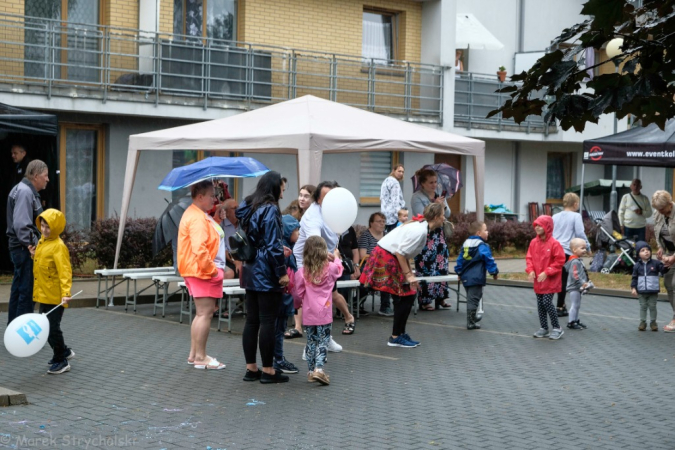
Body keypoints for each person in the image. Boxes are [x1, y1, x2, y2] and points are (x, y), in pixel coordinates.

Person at [360, 203, 446, 348]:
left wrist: (410, 274)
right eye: (443, 215)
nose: (444, 218)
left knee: (408, 294)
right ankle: (395, 337)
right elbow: (400, 252)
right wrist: (408, 274)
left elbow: (403, 251)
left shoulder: (421, 226)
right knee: (404, 295)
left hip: (390, 255)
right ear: (437, 217)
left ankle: (399, 334)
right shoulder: (420, 230)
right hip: (386, 256)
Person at [237, 171, 291, 384]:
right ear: (274, 188)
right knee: (268, 320)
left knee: (252, 320)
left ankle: (251, 368)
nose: (283, 195)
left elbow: (260, 240)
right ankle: (268, 369)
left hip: (250, 267)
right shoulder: (270, 209)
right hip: (266, 271)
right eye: (282, 190)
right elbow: (272, 245)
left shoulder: (249, 207)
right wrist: (282, 272)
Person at [294, 180, 356, 338]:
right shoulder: (313, 216)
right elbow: (314, 239)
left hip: (327, 259)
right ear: (318, 200)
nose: (331, 200)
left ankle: (347, 317)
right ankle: (301, 329)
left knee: (331, 295)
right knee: (308, 296)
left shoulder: (336, 210)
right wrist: (328, 255)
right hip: (307, 260)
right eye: (326, 196)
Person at [178, 180, 226, 370]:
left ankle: (195, 354)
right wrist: (212, 271)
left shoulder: (198, 214)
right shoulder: (197, 217)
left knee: (201, 314)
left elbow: (209, 238)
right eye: (211, 195)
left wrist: (217, 219)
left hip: (197, 270)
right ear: (200, 197)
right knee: (205, 314)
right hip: (202, 272)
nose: (214, 198)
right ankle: (200, 356)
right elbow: (200, 248)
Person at [293, 236, 343, 385]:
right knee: (323, 341)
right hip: (324, 312)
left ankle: (310, 371)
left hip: (309, 312)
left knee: (311, 342)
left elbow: (297, 293)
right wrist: (337, 257)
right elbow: (339, 269)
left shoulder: (302, 272)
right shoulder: (330, 268)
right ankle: (319, 369)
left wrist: (296, 306)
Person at [29, 209, 74, 374]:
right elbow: (43, 264)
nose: (44, 229)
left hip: (55, 297)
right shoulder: (42, 241)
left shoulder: (58, 247)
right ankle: (64, 352)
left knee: (51, 329)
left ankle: (62, 360)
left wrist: (65, 293)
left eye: (48, 227)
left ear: (55, 227)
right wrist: (33, 255)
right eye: (42, 225)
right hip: (43, 294)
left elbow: (65, 272)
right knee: (45, 328)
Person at [6, 159, 48, 325]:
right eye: (45, 175)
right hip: (25, 250)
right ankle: (22, 336)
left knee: (17, 290)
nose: (47, 179)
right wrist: (34, 246)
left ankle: (13, 330)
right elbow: (22, 225)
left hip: (19, 248)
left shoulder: (20, 189)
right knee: (26, 291)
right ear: (36, 176)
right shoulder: (25, 192)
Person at [410, 168, 451, 311]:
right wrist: (436, 205)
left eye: (435, 182)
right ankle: (425, 299)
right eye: (430, 182)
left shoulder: (440, 195)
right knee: (426, 266)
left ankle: (441, 297)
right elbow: (421, 214)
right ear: (422, 183)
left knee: (441, 265)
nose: (434, 185)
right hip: (426, 235)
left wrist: (443, 205)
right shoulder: (417, 197)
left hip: (439, 235)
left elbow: (448, 213)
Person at [284, 184, 317, 339]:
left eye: (306, 196)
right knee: (298, 293)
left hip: (309, 260)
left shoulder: (314, 216)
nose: (302, 198)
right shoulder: (295, 215)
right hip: (295, 260)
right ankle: (298, 326)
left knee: (327, 295)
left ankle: (348, 316)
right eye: (301, 195)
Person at [526, 215, 566, 340]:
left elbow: (559, 261)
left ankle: (557, 328)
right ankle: (544, 327)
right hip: (539, 280)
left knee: (547, 302)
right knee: (540, 303)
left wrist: (547, 272)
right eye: (536, 225)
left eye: (540, 225)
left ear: (547, 227)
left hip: (550, 280)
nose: (537, 228)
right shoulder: (534, 242)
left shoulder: (554, 244)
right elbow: (529, 258)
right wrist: (531, 270)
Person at [454, 221, 499, 330]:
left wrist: (459, 272)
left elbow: (460, 259)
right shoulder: (481, 245)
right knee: (474, 299)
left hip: (465, 276)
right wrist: (494, 271)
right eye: (485, 230)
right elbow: (488, 258)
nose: (487, 232)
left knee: (472, 297)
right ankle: (471, 322)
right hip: (476, 277)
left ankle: (473, 317)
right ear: (479, 233)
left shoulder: (466, 243)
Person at [552, 192, 591, 318]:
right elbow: (580, 232)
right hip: (567, 251)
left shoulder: (555, 216)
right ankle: (560, 306)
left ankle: (552, 304)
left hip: (555, 250)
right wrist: (588, 246)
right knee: (565, 279)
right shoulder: (576, 216)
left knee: (555, 278)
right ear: (575, 204)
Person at [273, 214, 301, 375]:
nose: (298, 234)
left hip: (285, 297)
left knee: (279, 328)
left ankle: (277, 358)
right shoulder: (284, 251)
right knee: (278, 329)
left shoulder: (286, 247)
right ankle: (278, 359)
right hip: (282, 297)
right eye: (296, 230)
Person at [358, 212, 393, 316]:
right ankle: (384, 306)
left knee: (391, 273)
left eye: (383, 221)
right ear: (371, 223)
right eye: (379, 221)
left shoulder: (387, 236)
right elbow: (363, 256)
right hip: (369, 265)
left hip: (384, 266)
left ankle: (387, 305)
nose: (382, 224)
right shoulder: (365, 235)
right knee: (384, 275)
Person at [650, 190, 675, 332]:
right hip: (669, 252)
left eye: (662, 209)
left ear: (670, 204)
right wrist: (660, 248)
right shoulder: (658, 213)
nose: (660, 212)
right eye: (657, 209)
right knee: (668, 284)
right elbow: (657, 231)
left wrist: (673, 258)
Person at [631, 240, 665, 332]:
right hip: (641, 290)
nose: (646, 251)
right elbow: (634, 278)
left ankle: (653, 322)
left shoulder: (656, 263)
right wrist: (634, 288)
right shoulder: (637, 266)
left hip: (653, 290)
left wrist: (663, 262)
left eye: (648, 250)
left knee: (652, 306)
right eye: (643, 250)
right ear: (638, 254)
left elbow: (663, 271)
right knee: (643, 306)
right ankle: (643, 322)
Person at [564, 238, 591, 330]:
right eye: (582, 248)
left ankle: (575, 320)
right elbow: (575, 274)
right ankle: (571, 322)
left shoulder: (578, 260)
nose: (585, 250)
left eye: (585, 248)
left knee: (577, 304)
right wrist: (583, 283)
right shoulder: (575, 261)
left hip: (577, 286)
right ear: (574, 250)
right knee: (575, 304)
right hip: (574, 287)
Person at [337, 225, 361, 314]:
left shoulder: (350, 230)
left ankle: (346, 307)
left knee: (350, 277)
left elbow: (355, 251)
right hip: (335, 263)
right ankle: (342, 308)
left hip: (348, 264)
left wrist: (356, 266)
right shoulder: (329, 228)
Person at [380, 164, 406, 233]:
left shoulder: (386, 180)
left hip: (385, 215)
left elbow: (382, 198)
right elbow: (395, 201)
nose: (401, 173)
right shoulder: (395, 183)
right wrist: (399, 216)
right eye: (399, 171)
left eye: (402, 172)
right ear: (393, 171)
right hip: (393, 217)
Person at [218, 199, 240, 276]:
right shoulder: (221, 226)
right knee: (232, 273)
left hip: (243, 258)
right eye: (234, 208)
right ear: (226, 212)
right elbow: (223, 250)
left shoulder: (243, 223)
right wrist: (236, 261)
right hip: (228, 259)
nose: (238, 210)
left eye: (238, 208)